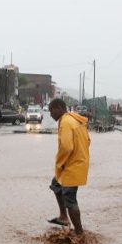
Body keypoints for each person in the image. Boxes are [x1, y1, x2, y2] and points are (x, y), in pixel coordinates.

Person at [47, 99, 90, 235]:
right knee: (56, 184)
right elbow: (88, 141)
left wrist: (59, 163)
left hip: (72, 166)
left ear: (59, 108)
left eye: (51, 110)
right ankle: (63, 217)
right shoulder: (76, 119)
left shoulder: (65, 122)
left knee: (70, 198)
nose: (50, 114)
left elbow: (66, 147)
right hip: (79, 162)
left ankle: (79, 232)